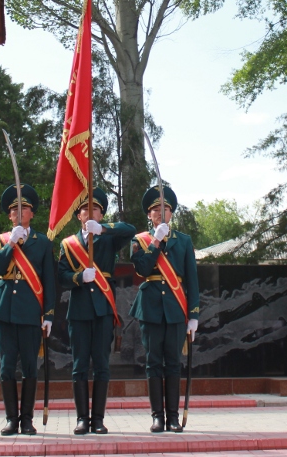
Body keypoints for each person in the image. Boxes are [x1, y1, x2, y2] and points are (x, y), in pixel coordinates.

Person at [57, 188, 136, 434]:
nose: (90, 213)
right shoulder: (68, 244)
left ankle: (98, 419)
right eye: (85, 210)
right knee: (80, 364)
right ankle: (82, 418)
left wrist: (102, 229)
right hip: (79, 310)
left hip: (103, 309)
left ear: (101, 214)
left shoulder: (108, 238)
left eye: (96, 210)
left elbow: (130, 230)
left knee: (101, 364)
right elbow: (61, 276)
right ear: (78, 216)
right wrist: (79, 277)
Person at [130, 185, 199, 433]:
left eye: (165, 209)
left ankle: (172, 416)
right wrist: (156, 241)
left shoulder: (184, 241)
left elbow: (192, 280)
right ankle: (157, 416)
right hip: (149, 309)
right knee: (153, 363)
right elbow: (143, 270)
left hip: (175, 307)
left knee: (173, 363)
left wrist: (193, 315)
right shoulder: (140, 240)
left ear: (172, 213)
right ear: (149, 215)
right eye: (155, 210)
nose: (161, 213)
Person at [0, 184, 55, 436]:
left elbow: (49, 280)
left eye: (23, 208)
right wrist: (11, 244)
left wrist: (48, 314)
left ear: (32, 213)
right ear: (9, 215)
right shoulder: (0, 240)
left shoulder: (43, 243)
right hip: (4, 310)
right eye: (14, 209)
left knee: (29, 365)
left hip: (30, 311)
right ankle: (11, 419)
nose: (19, 212)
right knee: (6, 366)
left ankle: (27, 419)